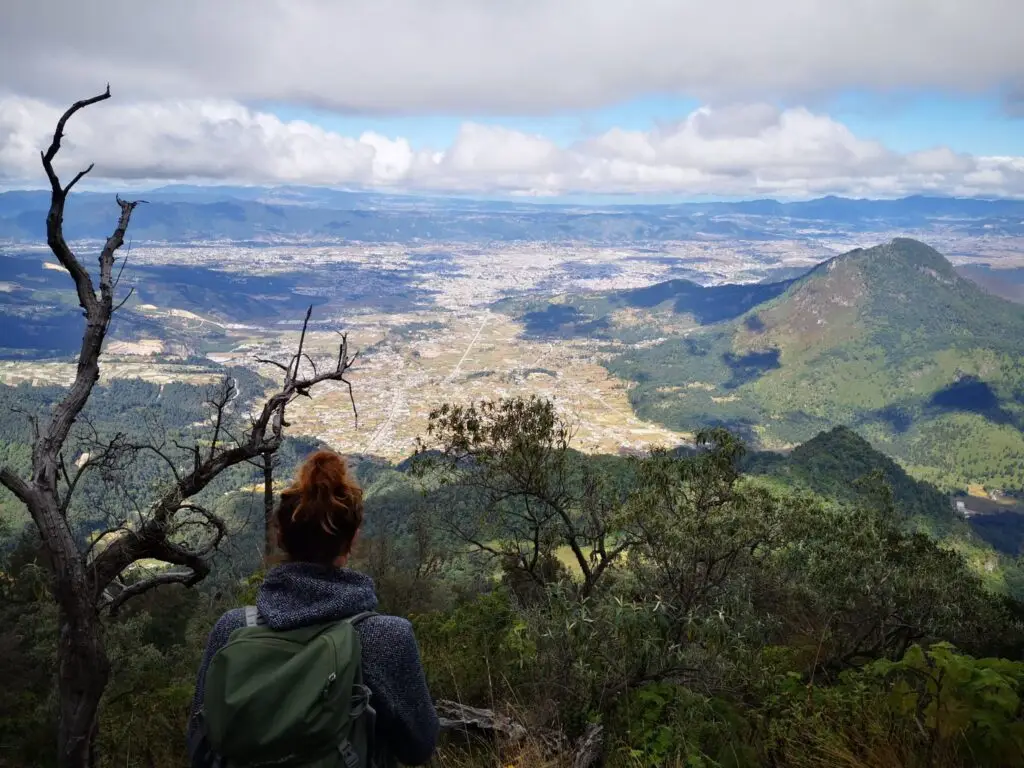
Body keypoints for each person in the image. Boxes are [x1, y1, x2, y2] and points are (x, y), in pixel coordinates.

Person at [187, 449, 439, 767]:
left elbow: (200, 746)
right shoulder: (385, 636)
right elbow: (419, 748)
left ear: (281, 538)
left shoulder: (233, 628)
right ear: (352, 541)